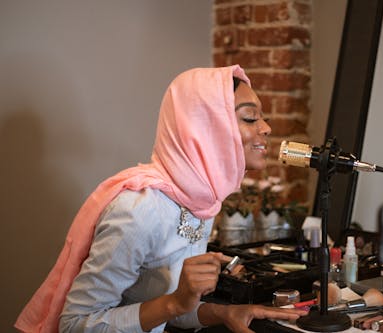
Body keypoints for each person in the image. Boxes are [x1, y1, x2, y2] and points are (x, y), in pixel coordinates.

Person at [15, 65, 307, 333]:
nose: (266, 127)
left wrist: (224, 312)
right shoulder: (137, 213)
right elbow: (75, 325)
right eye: (250, 117)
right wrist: (174, 303)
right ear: (205, 128)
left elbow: (166, 308)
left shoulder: (200, 200)